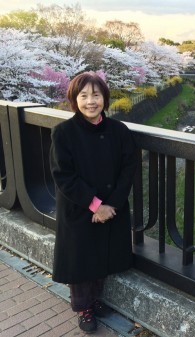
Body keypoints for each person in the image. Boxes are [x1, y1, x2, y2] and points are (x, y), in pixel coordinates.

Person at [49, 71, 138, 333]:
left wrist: (112, 205)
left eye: (96, 95)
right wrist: (96, 205)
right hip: (80, 208)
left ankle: (95, 300)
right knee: (81, 260)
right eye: (84, 95)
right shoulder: (63, 133)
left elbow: (128, 168)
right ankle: (83, 307)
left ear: (105, 98)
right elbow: (63, 175)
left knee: (102, 255)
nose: (91, 101)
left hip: (111, 207)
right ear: (74, 100)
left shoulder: (119, 131)